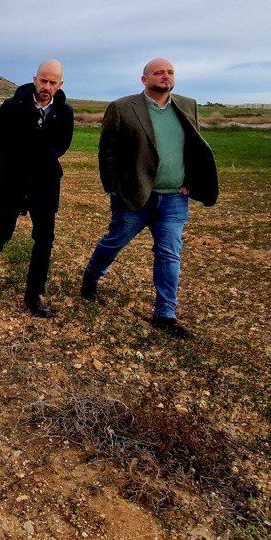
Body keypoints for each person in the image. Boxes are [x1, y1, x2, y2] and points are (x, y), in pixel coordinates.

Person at [81, 58, 219, 337]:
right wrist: (113, 188)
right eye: (158, 73)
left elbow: (194, 147)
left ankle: (165, 314)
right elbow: (107, 151)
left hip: (174, 199)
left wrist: (191, 181)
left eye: (169, 72)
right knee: (114, 242)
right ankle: (91, 277)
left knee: (169, 252)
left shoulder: (187, 105)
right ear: (144, 79)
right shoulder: (122, 108)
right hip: (135, 197)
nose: (165, 76)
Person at [0, 60, 75, 317]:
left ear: (60, 85)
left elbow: (62, 145)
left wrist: (42, 159)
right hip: (12, 180)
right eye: (43, 80)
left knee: (44, 240)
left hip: (46, 183)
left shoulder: (65, 112)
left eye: (53, 82)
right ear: (34, 79)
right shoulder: (12, 106)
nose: (46, 86)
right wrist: (16, 162)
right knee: (1, 232)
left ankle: (33, 295)